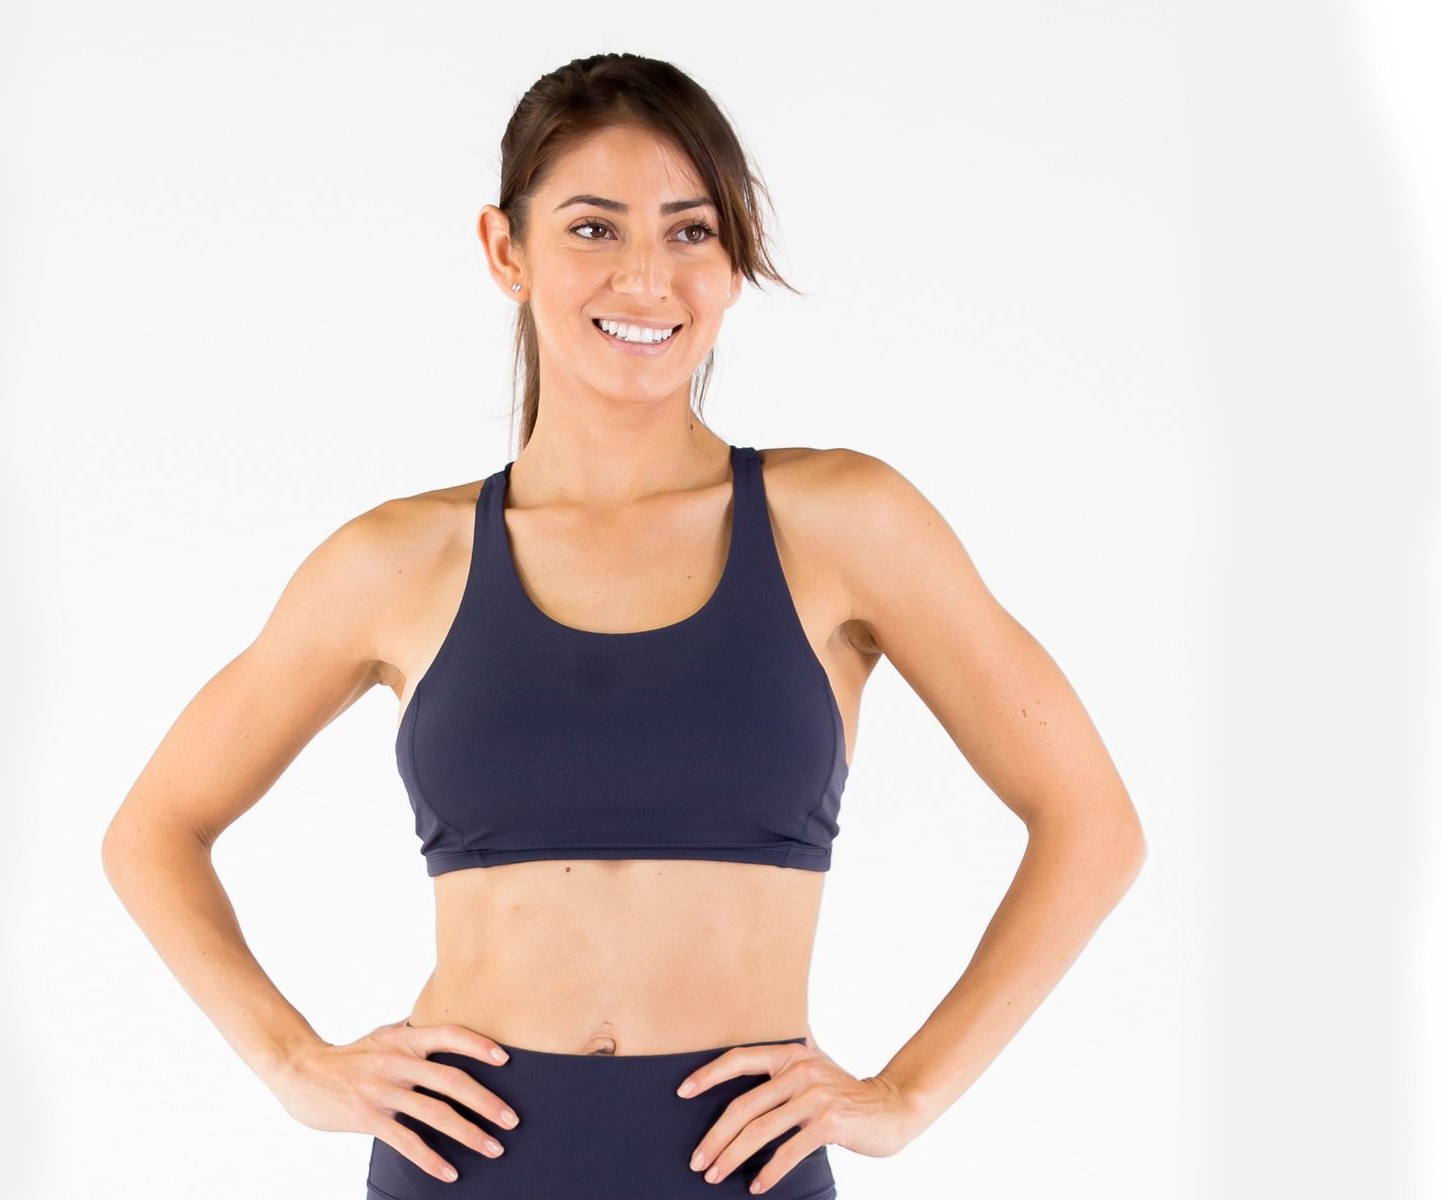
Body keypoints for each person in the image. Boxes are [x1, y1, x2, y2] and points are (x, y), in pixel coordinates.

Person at [101, 52, 1146, 1200]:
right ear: (507, 250)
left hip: (740, 1174)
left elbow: (1090, 822)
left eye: (691, 231)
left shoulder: (846, 524)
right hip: (461, 1171)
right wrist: (291, 1063)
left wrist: (904, 1098)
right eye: (594, 229)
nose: (646, 276)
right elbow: (155, 829)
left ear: (733, 261)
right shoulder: (397, 561)